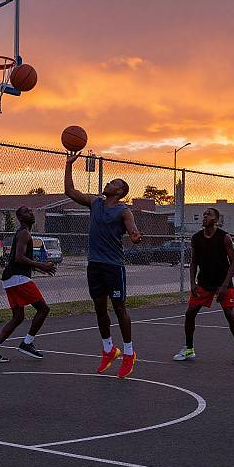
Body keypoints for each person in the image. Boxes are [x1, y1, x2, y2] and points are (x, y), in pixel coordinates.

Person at [65, 151, 142, 379]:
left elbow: (132, 230)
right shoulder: (95, 203)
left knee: (119, 308)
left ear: (119, 191)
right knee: (100, 309)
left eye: (113, 182)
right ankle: (109, 349)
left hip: (113, 265)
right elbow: (70, 192)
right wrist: (68, 165)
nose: (108, 182)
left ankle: (129, 353)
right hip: (94, 264)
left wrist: (135, 237)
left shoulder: (123, 210)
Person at [173, 208, 234, 366]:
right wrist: (192, 282)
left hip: (223, 283)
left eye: (209, 215)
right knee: (190, 313)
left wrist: (225, 285)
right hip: (204, 283)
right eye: (204, 214)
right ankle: (189, 348)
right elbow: (193, 262)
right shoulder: (196, 238)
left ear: (216, 220)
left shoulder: (224, 237)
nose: (205, 216)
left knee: (229, 315)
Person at [0, 206, 56, 362]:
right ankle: (27, 343)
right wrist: (41, 265)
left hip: (10, 278)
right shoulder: (24, 233)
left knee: (18, 316)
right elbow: (19, 258)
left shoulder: (24, 233)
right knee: (43, 309)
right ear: (20, 218)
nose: (30, 213)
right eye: (26, 212)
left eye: (31, 211)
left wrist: (40, 269)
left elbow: (20, 260)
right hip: (17, 277)